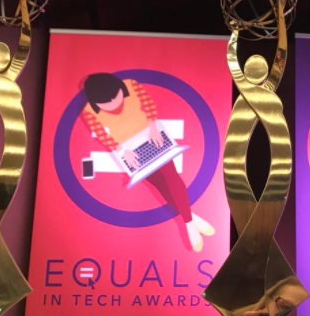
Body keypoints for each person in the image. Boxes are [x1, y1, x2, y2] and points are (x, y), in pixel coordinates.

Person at [80, 73, 214, 251]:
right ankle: (192, 217)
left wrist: (153, 126)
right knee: (159, 184)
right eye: (106, 103)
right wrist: (121, 150)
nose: (114, 104)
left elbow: (149, 104)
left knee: (171, 176)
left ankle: (189, 224)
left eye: (116, 97)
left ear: (120, 88)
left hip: (152, 135)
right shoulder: (88, 110)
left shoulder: (132, 85)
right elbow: (102, 135)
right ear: (96, 102)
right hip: (128, 150)